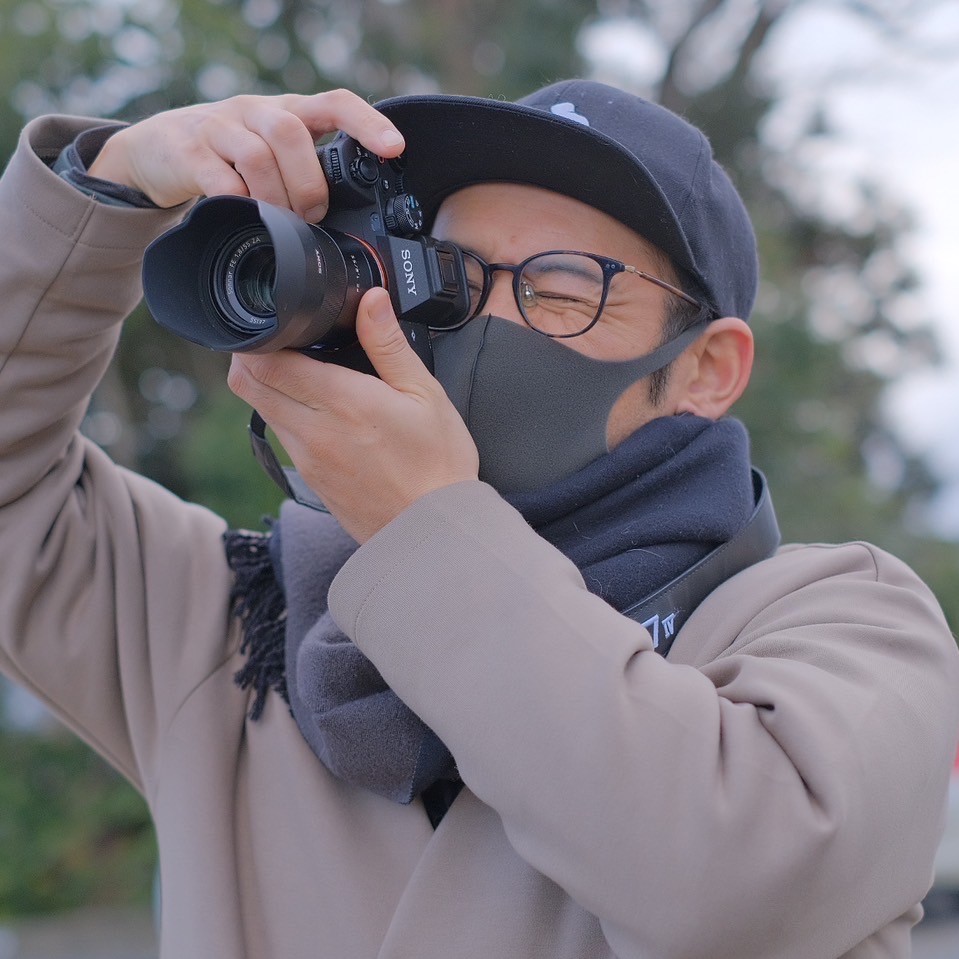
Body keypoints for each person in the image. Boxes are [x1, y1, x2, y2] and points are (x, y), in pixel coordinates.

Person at [0, 78, 956, 959]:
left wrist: (422, 527)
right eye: (451, 273)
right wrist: (106, 188)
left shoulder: (849, 624)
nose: (488, 323)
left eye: (562, 287)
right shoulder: (241, 630)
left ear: (707, 370)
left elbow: (739, 889)